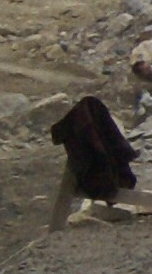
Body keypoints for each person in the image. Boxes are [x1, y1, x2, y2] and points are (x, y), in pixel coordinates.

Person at [46, 91, 137, 228]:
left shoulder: (81, 126)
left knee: (70, 183)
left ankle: (56, 226)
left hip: (92, 165)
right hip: (97, 161)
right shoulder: (86, 121)